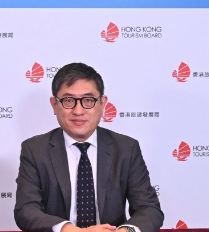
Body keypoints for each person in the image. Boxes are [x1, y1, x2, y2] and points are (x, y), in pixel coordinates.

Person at [14, 62, 163, 232]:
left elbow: (149, 209)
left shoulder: (126, 149)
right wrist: (71, 230)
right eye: (68, 100)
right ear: (54, 105)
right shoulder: (35, 150)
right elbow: (26, 210)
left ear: (102, 103)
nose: (78, 111)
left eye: (88, 100)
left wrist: (125, 231)